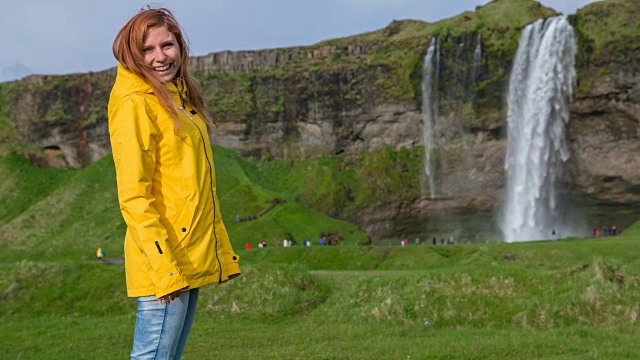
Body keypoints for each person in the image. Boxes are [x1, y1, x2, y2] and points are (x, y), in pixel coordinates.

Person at [108, 7, 241, 359]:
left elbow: (195, 188)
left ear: (180, 46)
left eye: (166, 45)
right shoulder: (136, 104)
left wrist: (221, 253)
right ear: (133, 55)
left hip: (187, 255)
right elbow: (134, 195)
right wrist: (165, 268)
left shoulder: (177, 98)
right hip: (165, 262)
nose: (159, 57)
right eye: (147, 50)